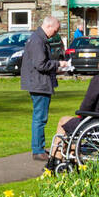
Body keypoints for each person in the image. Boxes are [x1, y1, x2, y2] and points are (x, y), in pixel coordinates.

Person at [21, 15, 62, 161]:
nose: (55, 34)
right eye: (56, 30)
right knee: (40, 118)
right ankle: (37, 150)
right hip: (39, 84)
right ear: (49, 26)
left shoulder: (38, 39)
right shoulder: (38, 41)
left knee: (39, 118)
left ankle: (38, 147)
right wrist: (58, 64)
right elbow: (41, 65)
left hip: (38, 83)